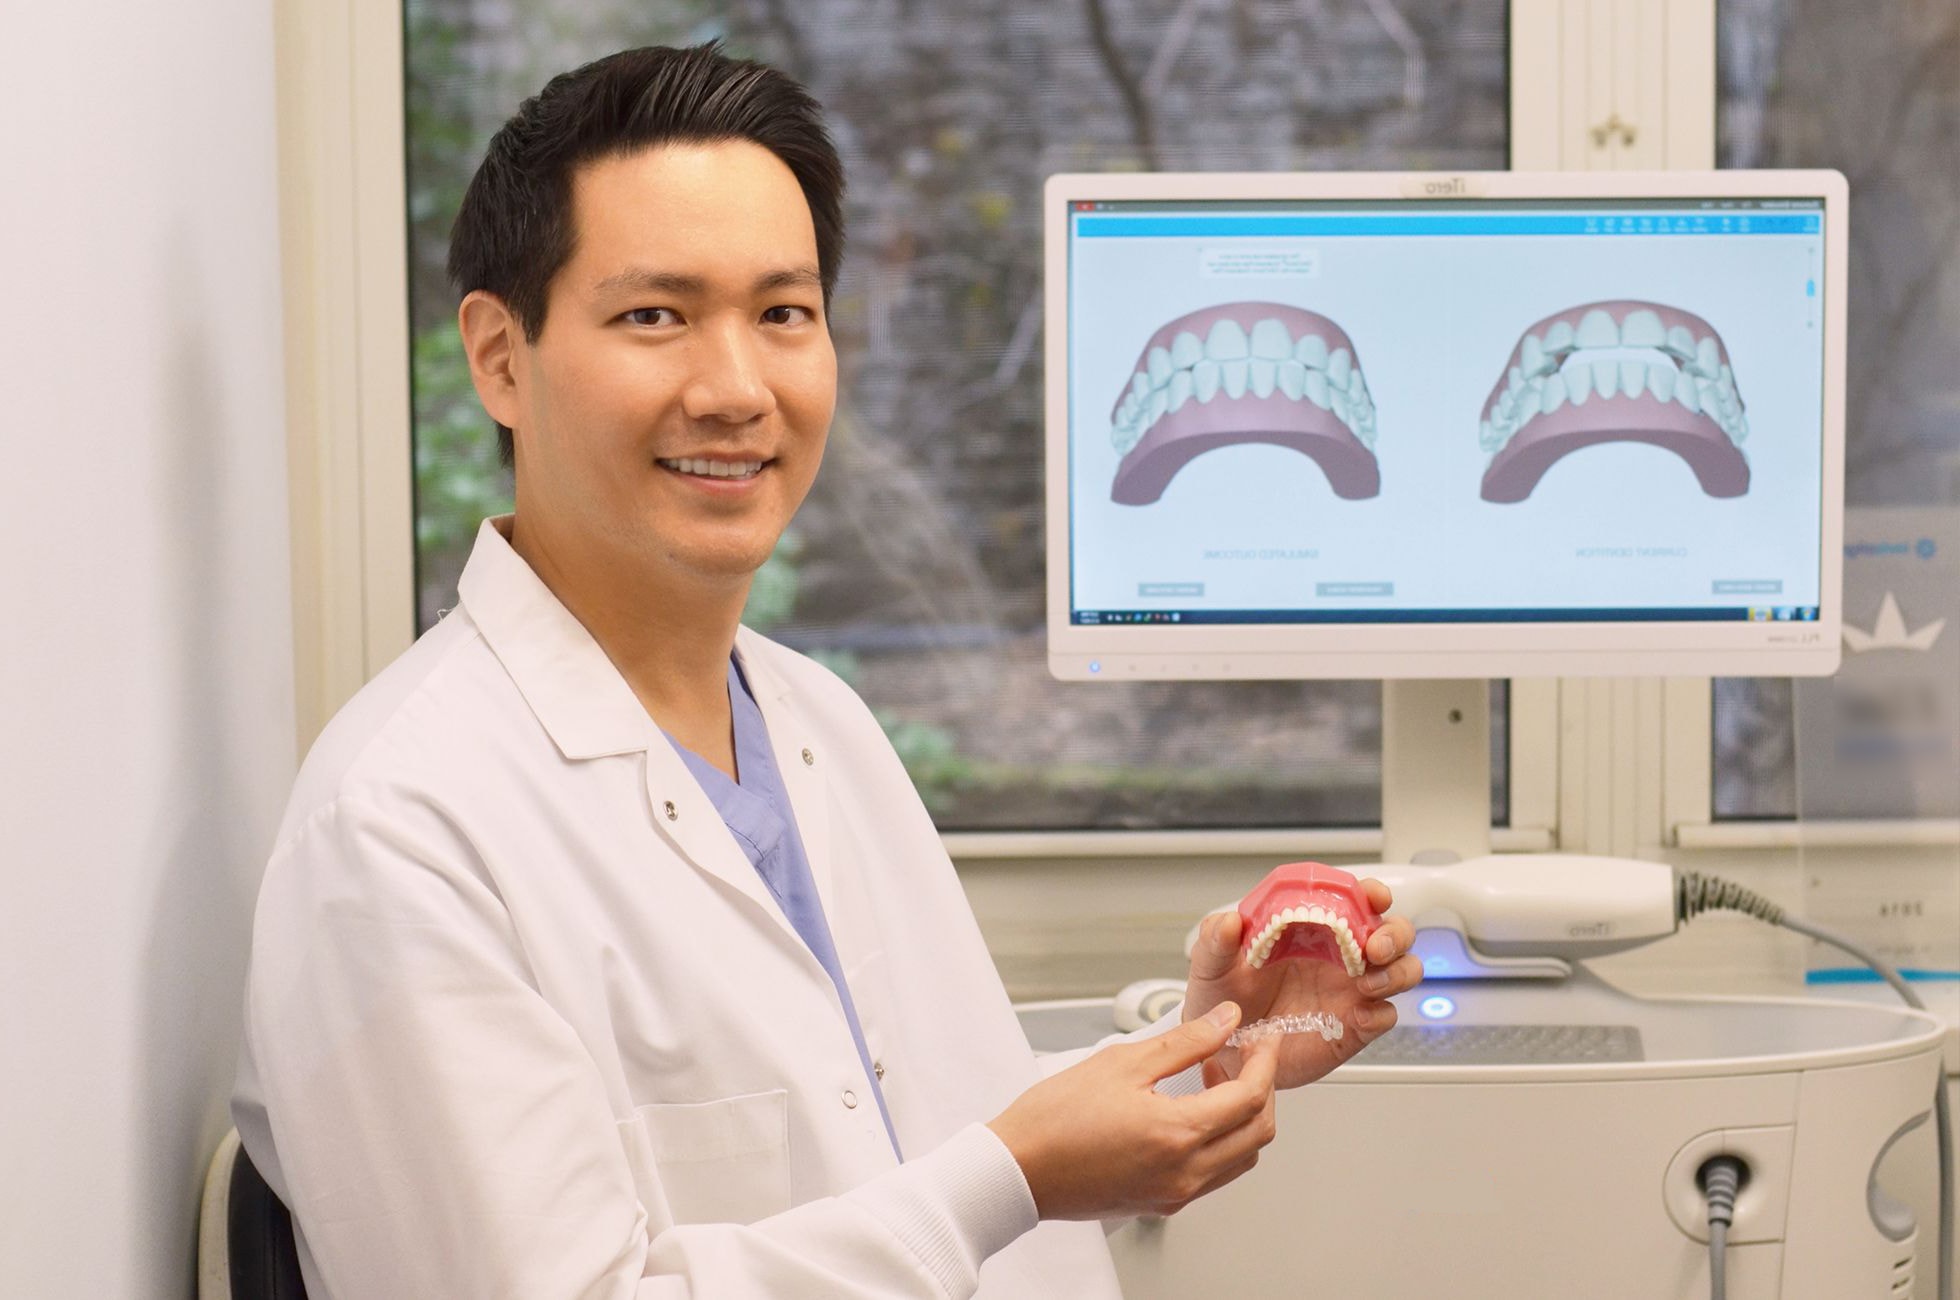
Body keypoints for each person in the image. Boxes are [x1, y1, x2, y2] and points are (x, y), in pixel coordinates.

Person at [233, 42, 1423, 1299]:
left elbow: (924, 1156)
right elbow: (971, 1186)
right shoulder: (400, 828)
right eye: (655, 315)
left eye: (782, 314)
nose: (738, 387)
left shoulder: (818, 722)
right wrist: (1012, 1173)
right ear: (499, 357)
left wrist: (1202, 1060)